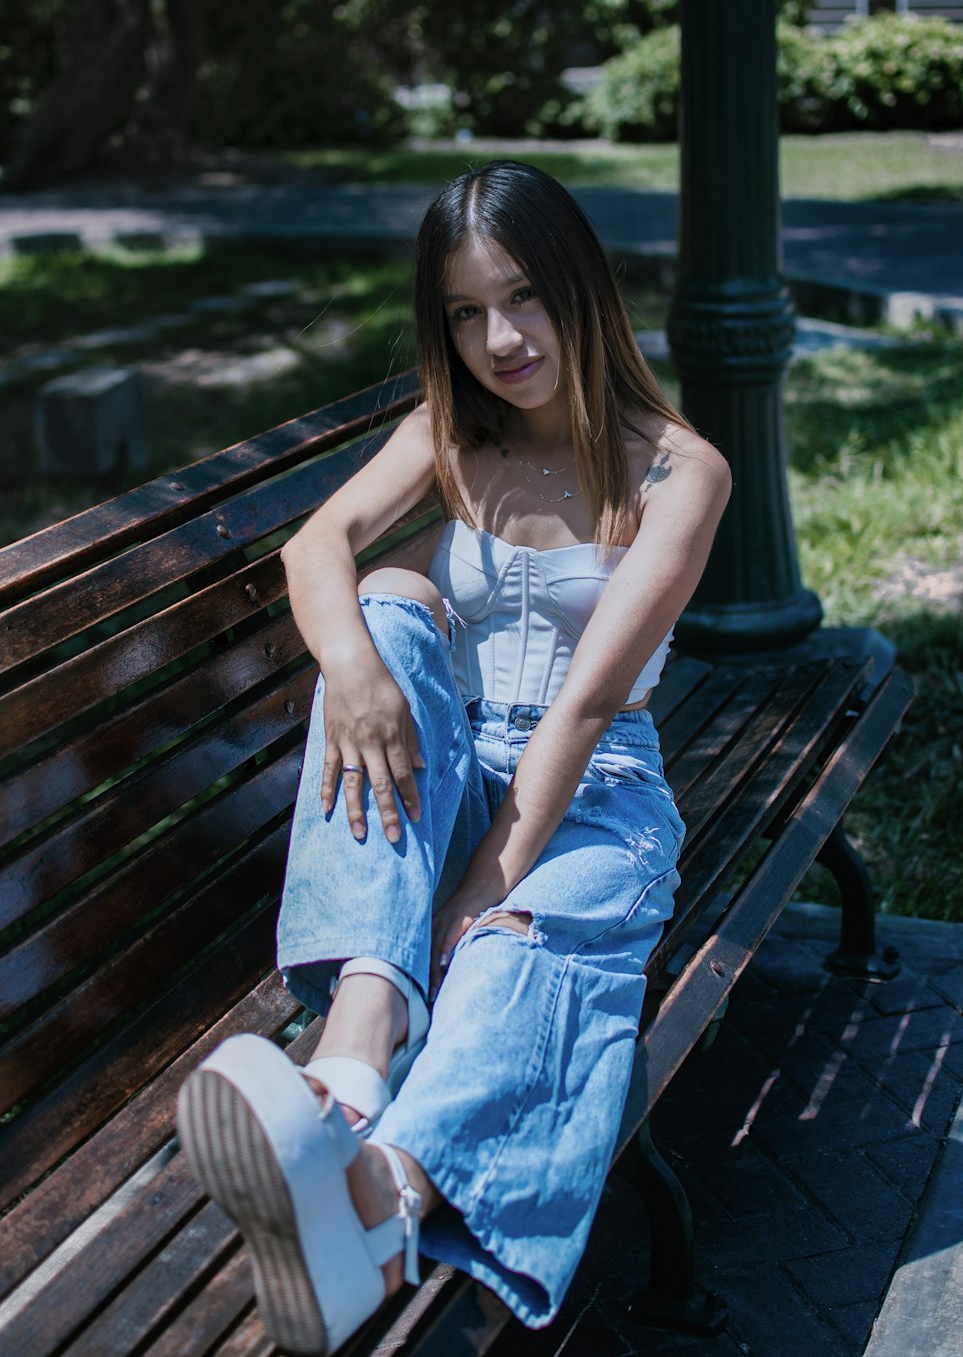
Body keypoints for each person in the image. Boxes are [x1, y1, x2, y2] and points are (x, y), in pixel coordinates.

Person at [177, 160, 731, 1356]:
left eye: (525, 296)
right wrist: (357, 669)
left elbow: (586, 708)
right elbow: (316, 542)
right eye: (466, 314)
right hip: (454, 756)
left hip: (600, 798)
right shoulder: (449, 433)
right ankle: (348, 1074)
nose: (500, 339)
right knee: (381, 600)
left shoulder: (680, 473)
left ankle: (384, 1202)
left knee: (519, 950)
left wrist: (490, 875)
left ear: (583, 287)